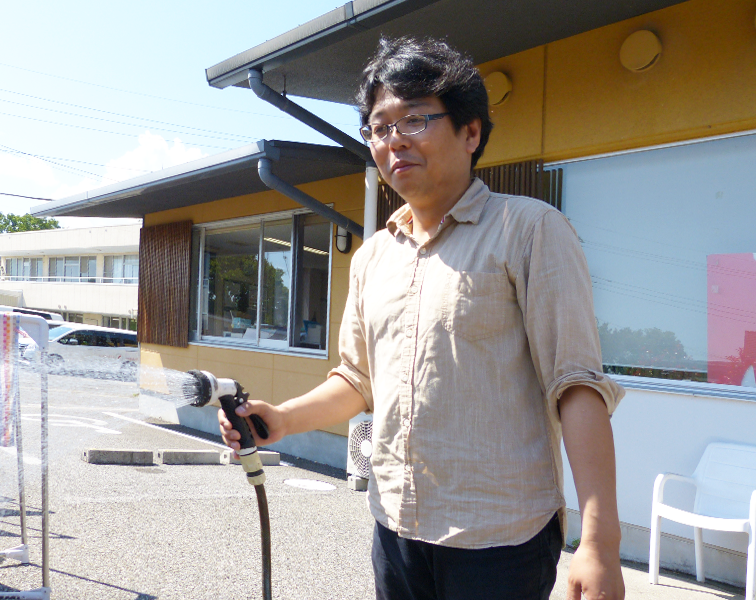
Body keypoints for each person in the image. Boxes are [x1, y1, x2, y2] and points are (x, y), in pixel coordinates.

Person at [221, 36, 625, 600]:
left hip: (500, 540)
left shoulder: (529, 230)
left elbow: (576, 385)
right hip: (396, 530)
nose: (394, 140)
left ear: (471, 132)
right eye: (379, 127)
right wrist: (282, 418)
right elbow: (356, 379)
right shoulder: (372, 258)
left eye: (414, 119)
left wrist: (599, 543)